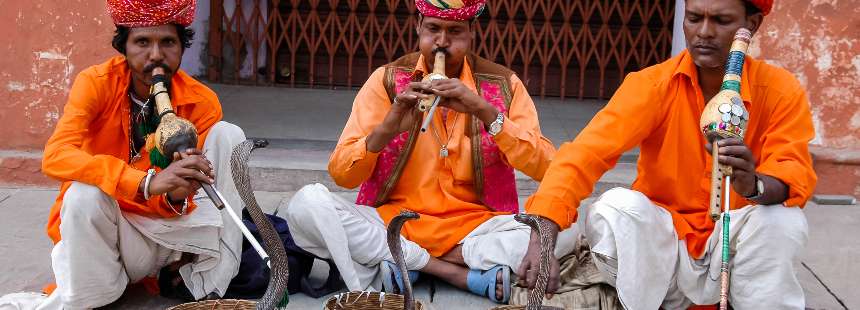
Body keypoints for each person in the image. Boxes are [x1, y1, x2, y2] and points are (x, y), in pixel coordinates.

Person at [519, 0, 816, 308]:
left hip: (734, 249)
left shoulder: (780, 90)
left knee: (783, 221)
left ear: (751, 24)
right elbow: (584, 154)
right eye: (694, 18)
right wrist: (543, 239)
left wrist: (753, 185)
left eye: (721, 21)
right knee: (615, 209)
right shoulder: (653, 84)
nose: (704, 32)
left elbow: (792, 172)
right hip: (666, 248)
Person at [283, 0, 576, 303]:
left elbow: (548, 168)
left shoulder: (504, 85)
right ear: (418, 27)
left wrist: (487, 114)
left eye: (455, 32)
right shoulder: (386, 80)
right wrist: (388, 127)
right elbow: (342, 175)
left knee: (565, 228)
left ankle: (404, 263)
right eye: (433, 29)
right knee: (306, 206)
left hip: (476, 229)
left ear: (472, 34)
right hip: (395, 223)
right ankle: (454, 271)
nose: (442, 42)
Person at [33, 0, 248, 308]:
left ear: (182, 47)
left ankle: (207, 284)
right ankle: (97, 297)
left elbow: (178, 200)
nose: (156, 55)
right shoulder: (95, 83)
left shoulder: (201, 102)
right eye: (143, 42)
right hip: (107, 232)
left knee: (230, 136)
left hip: (166, 239)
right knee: (81, 194)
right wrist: (143, 182)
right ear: (124, 46)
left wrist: (175, 193)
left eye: (168, 42)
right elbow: (55, 156)